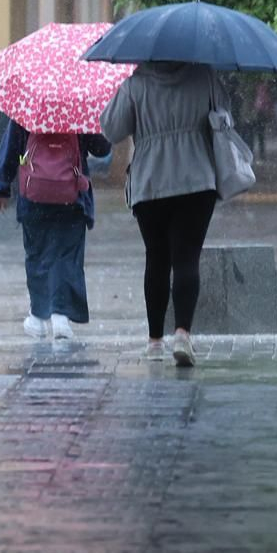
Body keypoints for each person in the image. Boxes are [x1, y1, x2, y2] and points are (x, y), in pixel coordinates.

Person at [99, 61, 223, 367]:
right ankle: (182, 332)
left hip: (150, 182)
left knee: (156, 258)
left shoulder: (135, 84)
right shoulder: (203, 76)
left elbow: (111, 129)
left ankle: (155, 341)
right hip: (196, 178)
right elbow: (225, 117)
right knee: (187, 257)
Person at [0, 120, 112, 340]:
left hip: (33, 196)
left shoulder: (29, 109)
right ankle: (60, 315)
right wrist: (98, 125)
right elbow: (102, 149)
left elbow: (11, 149)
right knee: (67, 256)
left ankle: (38, 317)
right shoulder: (78, 109)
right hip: (72, 196)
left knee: (37, 255)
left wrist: (2, 187)